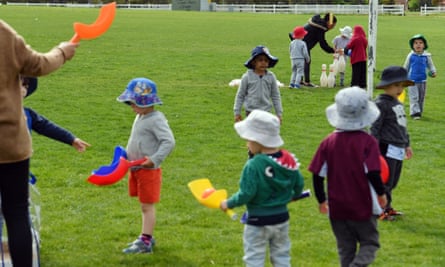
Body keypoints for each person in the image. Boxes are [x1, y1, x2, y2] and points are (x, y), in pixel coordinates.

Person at [0, 19, 77, 266]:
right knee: (16, 212)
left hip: (12, 145)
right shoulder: (3, 33)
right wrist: (63, 51)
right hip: (10, 143)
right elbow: (39, 65)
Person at [308, 86, 387, 267]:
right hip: (362, 204)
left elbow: (317, 174)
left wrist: (321, 199)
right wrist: (382, 194)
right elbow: (373, 172)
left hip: (337, 206)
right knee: (370, 242)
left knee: (346, 248)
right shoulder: (368, 142)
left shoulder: (328, 142)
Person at [220, 109, 304, 267]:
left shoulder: (253, 165)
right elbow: (299, 183)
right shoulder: (288, 160)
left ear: (258, 141)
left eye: (249, 140)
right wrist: (295, 195)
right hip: (281, 218)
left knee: (254, 258)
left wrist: (228, 203)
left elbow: (247, 193)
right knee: (281, 257)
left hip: (257, 221)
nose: (247, 144)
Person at [117, 77, 175, 254]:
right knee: (143, 204)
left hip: (148, 171)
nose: (131, 107)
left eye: (133, 103)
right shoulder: (141, 116)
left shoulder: (156, 119)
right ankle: (147, 236)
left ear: (145, 102)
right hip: (136, 168)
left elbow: (169, 142)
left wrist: (155, 159)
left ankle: (145, 241)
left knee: (147, 206)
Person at [370, 66, 414, 221]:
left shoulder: (398, 104)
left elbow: (402, 126)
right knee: (385, 181)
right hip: (386, 147)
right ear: (386, 85)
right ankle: (379, 209)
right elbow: (375, 127)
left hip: (399, 147)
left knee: (393, 181)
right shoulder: (381, 104)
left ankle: (387, 207)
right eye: (396, 85)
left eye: (402, 85)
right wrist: (374, 149)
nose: (400, 89)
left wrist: (407, 144)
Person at [234, 45, 283, 123]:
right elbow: (240, 95)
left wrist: (279, 114)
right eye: (260, 60)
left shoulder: (271, 77)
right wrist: (237, 112)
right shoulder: (247, 77)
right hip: (251, 113)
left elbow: (275, 96)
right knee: (251, 134)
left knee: (264, 134)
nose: (263, 63)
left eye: (266, 60)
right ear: (254, 62)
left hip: (266, 112)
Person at [289, 13, 337, 87]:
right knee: (306, 61)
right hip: (303, 43)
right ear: (329, 22)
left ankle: (299, 80)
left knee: (300, 64)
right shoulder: (320, 28)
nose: (333, 27)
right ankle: (306, 82)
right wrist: (334, 50)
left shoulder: (318, 23)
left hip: (297, 41)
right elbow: (323, 44)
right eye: (333, 25)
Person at [403, 34, 437, 120]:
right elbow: (406, 67)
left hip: (423, 80)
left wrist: (433, 71)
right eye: (416, 43)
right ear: (412, 45)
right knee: (414, 97)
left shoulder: (427, 56)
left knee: (421, 97)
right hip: (412, 80)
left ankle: (419, 111)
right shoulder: (411, 55)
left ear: (424, 45)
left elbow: (431, 65)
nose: (418, 45)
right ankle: (414, 113)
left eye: (420, 43)